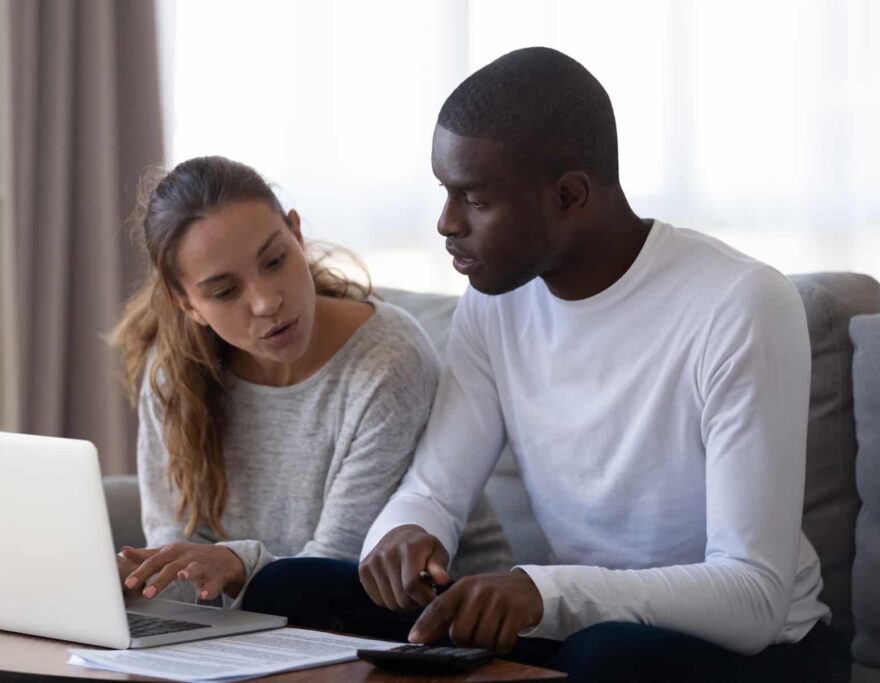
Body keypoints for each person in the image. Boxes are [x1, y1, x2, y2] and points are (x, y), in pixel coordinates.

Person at [241, 48, 833, 681]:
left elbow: (754, 597)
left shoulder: (740, 303)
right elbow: (434, 491)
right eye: (445, 192)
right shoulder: (496, 305)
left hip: (749, 651)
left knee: (606, 656)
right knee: (289, 590)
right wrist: (404, 533)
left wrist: (544, 592)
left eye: (473, 199)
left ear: (568, 195)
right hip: (571, 629)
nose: (446, 224)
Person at [109, 156, 512, 608]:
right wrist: (142, 581)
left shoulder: (387, 363)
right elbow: (172, 542)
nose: (266, 302)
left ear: (297, 234)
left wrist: (236, 564)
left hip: (429, 627)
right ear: (187, 304)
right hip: (264, 633)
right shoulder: (173, 374)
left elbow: (335, 568)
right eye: (224, 292)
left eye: (276, 260)